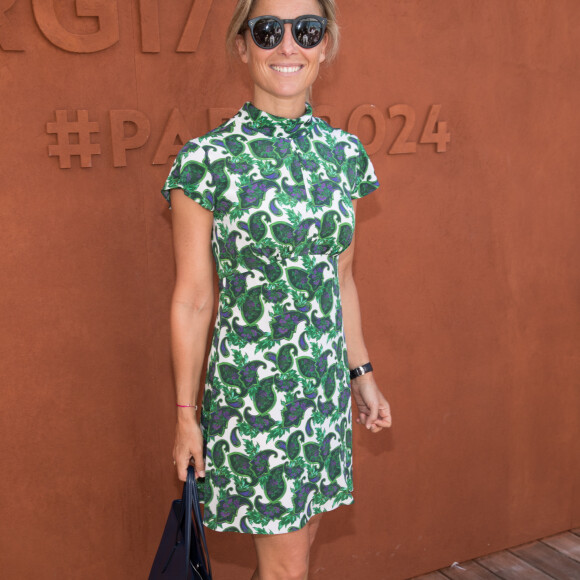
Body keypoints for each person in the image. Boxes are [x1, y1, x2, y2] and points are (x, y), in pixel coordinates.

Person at [162, 1, 392, 578]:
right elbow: (193, 299)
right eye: (268, 31)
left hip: (322, 392)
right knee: (287, 568)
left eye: (306, 31)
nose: (288, 46)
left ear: (325, 45)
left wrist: (361, 375)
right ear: (243, 46)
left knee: (299, 553)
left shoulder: (343, 156)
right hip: (254, 396)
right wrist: (187, 416)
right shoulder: (207, 161)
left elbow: (340, 279)